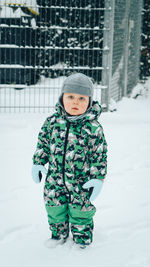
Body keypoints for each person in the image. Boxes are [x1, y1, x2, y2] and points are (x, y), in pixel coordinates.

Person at [32, 73, 107, 249]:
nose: (75, 102)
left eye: (81, 98)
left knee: (80, 210)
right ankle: (58, 234)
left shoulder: (93, 128)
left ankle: (81, 239)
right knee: (54, 207)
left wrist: (98, 178)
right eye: (71, 97)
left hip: (81, 181)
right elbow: (42, 144)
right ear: (62, 97)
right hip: (54, 179)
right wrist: (38, 162)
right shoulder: (52, 122)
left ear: (89, 101)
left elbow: (100, 155)